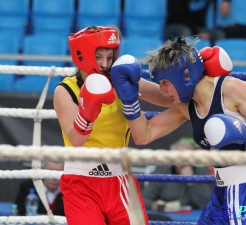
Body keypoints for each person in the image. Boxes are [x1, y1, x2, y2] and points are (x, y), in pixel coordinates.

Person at [110, 36, 246, 224]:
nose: (161, 90)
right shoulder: (187, 106)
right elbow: (144, 135)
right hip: (221, 192)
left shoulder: (231, 89)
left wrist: (242, 131)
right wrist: (130, 99)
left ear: (185, 76)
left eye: (164, 83)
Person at [53, 25, 172, 225]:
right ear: (82, 56)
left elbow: (168, 98)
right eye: (99, 57)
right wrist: (88, 108)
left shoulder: (121, 79)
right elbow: (76, 139)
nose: (105, 64)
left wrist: (185, 81)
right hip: (80, 182)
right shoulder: (66, 90)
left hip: (120, 178)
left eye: (110, 56)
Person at [142, 139, 214, 211]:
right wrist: (153, 205)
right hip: (168, 217)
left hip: (195, 218)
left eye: (187, 157)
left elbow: (205, 203)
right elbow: (143, 199)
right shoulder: (162, 173)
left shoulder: (201, 173)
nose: (183, 161)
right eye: (179, 157)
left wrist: (191, 181)